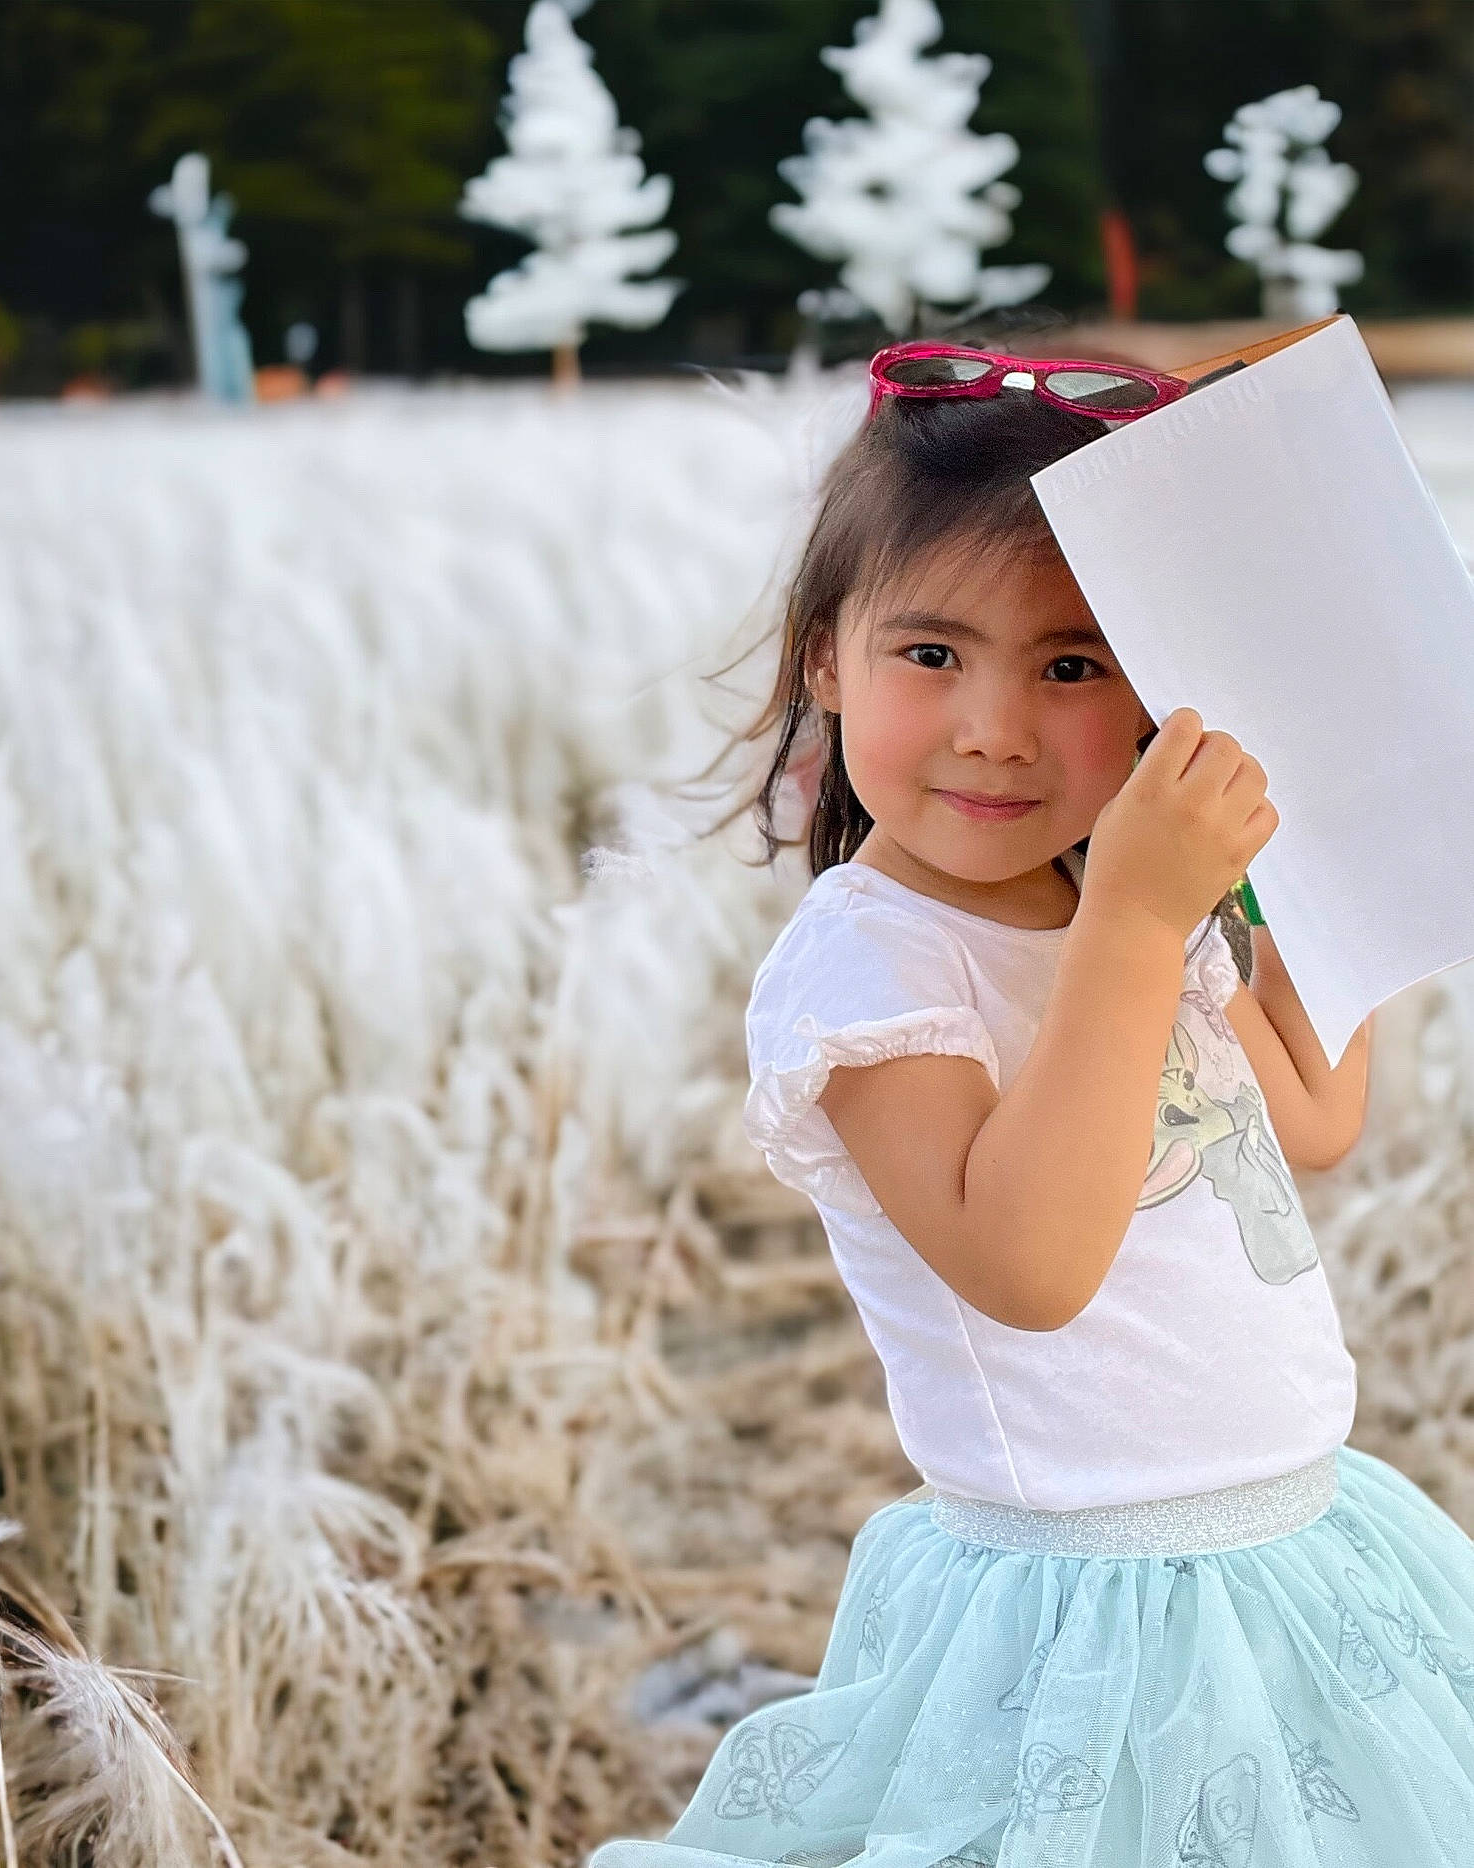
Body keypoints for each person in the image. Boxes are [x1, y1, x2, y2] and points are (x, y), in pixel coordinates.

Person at [587, 341, 1474, 1866]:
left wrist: (1302, 878)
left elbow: (1311, 1127)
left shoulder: (1118, 896)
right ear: (825, 660)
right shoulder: (873, 975)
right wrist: (1136, 927)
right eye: (930, 656)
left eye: (1072, 667)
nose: (995, 725)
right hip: (1092, 1615)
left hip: (1307, 1549)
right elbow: (1031, 1266)